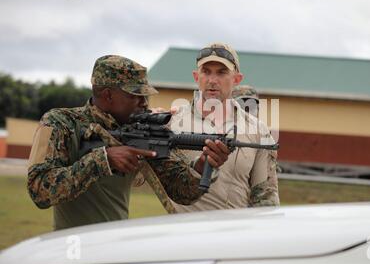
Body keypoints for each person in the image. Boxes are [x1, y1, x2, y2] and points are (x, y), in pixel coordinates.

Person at [27, 55, 230, 230]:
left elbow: (184, 193)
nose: (145, 103)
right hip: (71, 246)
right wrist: (103, 160)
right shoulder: (61, 123)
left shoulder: (143, 129)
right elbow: (39, 189)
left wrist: (203, 167)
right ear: (107, 95)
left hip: (115, 246)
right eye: (136, 95)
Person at [169, 42, 280, 212]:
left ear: (237, 79)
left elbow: (265, 197)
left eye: (222, 73)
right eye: (206, 72)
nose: (212, 80)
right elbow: (139, 177)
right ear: (196, 76)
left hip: (234, 234)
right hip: (184, 234)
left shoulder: (258, 131)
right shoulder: (171, 123)